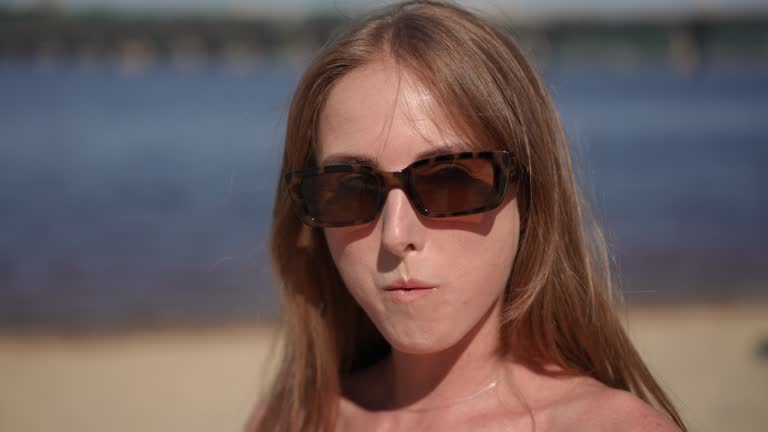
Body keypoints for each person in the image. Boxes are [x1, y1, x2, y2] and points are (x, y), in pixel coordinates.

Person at [250, 1, 686, 430]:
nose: (395, 235)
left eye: (451, 180)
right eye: (349, 188)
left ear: (531, 194)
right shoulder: (289, 421)